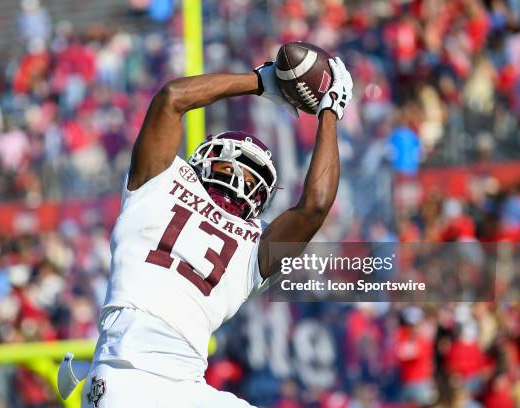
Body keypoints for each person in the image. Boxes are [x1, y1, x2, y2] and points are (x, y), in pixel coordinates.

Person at [58, 55, 353, 407]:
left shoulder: (158, 182)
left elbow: (172, 97)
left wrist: (259, 81)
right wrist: (330, 111)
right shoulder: (255, 245)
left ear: (206, 159)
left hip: (119, 383)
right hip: (170, 387)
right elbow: (315, 206)